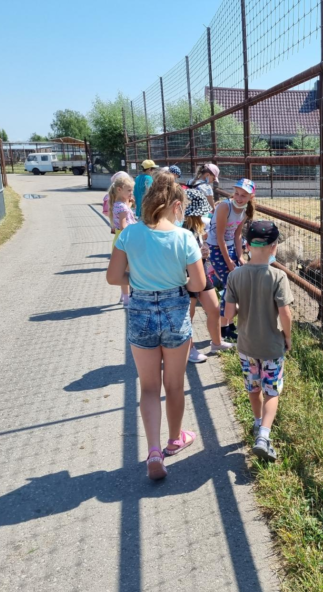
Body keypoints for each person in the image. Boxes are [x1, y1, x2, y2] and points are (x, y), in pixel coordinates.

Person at [106, 171, 206, 480]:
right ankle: (174, 440)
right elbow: (199, 283)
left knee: (148, 387)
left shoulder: (130, 234)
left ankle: (152, 450)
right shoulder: (184, 237)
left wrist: (138, 280)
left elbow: (113, 277)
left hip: (140, 309)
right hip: (175, 310)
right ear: (177, 205)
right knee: (174, 385)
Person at [224, 220, 293, 462]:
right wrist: (288, 337)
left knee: (253, 387)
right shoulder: (278, 277)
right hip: (272, 346)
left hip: (246, 346)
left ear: (246, 245)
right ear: (275, 247)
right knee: (271, 392)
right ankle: (264, 436)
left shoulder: (235, 276)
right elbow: (285, 313)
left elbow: (228, 314)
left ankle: (256, 422)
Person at [182, 189, 234, 363]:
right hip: (186, 277)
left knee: (213, 307)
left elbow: (199, 245)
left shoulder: (196, 227)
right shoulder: (182, 229)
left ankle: (217, 342)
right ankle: (189, 349)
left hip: (201, 272)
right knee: (187, 315)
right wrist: (199, 253)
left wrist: (203, 250)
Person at [205, 178, 256, 342]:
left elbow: (237, 234)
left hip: (231, 246)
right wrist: (228, 262)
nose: (239, 198)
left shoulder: (246, 210)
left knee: (234, 285)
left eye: (243, 195)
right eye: (237, 193)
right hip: (216, 247)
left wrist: (239, 256)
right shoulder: (224, 207)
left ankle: (228, 323)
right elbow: (219, 236)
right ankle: (222, 328)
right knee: (230, 285)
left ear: (251, 197)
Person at [108, 174, 137, 305]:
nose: (131, 192)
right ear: (119, 190)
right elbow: (124, 224)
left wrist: (129, 203)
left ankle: (124, 295)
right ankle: (127, 299)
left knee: (124, 269)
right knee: (127, 270)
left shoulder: (118, 204)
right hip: (126, 239)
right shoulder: (122, 206)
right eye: (129, 190)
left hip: (119, 238)